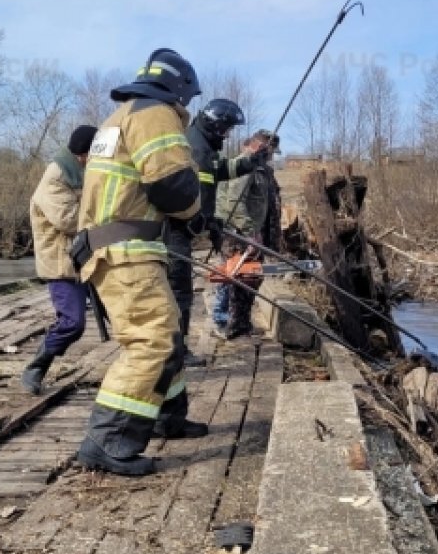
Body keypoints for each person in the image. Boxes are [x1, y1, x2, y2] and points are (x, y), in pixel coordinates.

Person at [70, 48, 207, 477]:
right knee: (152, 340)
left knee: (167, 335)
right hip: (125, 249)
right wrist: (197, 215)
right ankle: (106, 441)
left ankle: (168, 416)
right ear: (179, 90)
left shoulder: (121, 117)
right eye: (186, 101)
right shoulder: (155, 113)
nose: (185, 109)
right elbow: (172, 186)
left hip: (118, 246)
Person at [165, 98, 261, 343]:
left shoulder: (204, 146)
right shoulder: (198, 150)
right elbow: (200, 194)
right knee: (179, 293)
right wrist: (206, 222)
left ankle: (177, 349)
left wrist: (249, 163)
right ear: (216, 126)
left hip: (180, 230)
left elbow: (221, 170)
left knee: (180, 291)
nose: (228, 136)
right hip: (174, 232)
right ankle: (177, 351)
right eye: (226, 130)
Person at [21, 124, 98, 394]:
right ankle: (36, 367)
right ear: (82, 154)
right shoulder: (56, 177)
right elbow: (69, 220)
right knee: (72, 323)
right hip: (62, 262)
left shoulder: (82, 172)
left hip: (88, 258)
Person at [215, 130, 279, 339]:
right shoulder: (244, 166)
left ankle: (241, 323)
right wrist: (250, 233)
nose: (272, 155)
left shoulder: (263, 170)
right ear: (261, 146)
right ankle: (230, 325)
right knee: (239, 278)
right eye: (270, 151)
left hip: (253, 233)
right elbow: (234, 202)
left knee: (251, 279)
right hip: (238, 234)